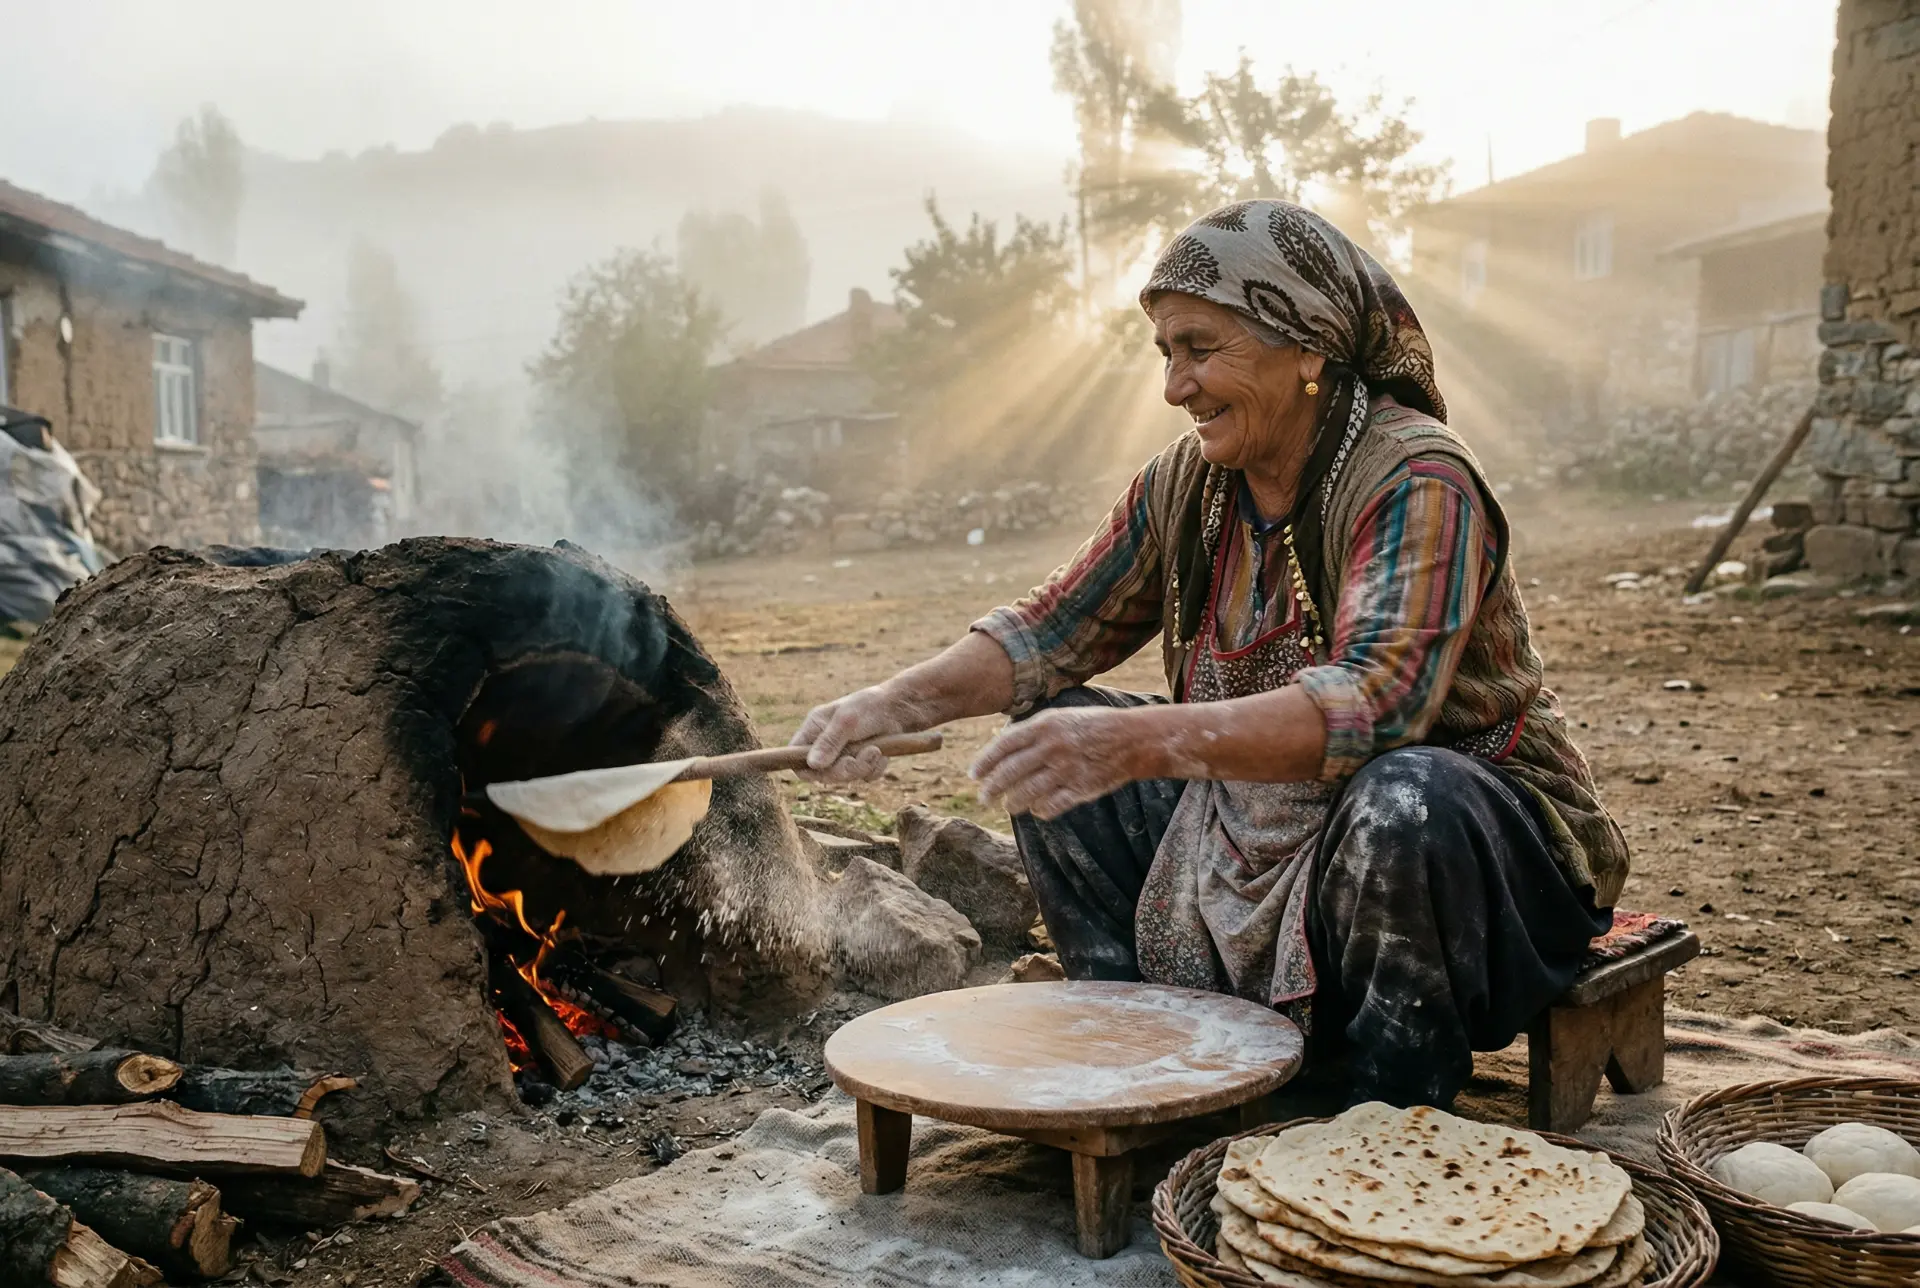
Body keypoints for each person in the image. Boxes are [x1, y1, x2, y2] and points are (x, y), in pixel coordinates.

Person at [791, 200, 1627, 1109]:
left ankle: (1383, 1121)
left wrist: (1148, 744)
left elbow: (1379, 706)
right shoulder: (1187, 484)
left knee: (1404, 801)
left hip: (1472, 854)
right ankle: (1146, 1066)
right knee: (1056, 736)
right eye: (1165, 354)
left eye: (1201, 348)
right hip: (1257, 816)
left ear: (1307, 344)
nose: (1175, 387)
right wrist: (889, 705)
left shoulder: (1417, 479)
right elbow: (1047, 630)